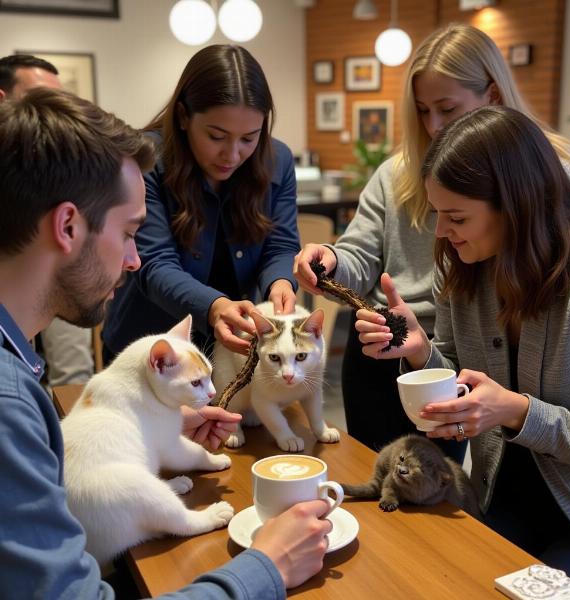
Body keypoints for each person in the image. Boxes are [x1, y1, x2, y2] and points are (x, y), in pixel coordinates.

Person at [0, 87, 331, 599]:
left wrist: (151, 432)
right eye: (130, 233)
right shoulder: (10, 403)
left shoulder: (17, 377)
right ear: (68, 226)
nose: (134, 260)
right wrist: (267, 567)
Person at [293, 23, 570, 458]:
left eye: (447, 108)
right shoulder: (452, 262)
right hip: (424, 352)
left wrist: (514, 408)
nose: (434, 126)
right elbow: (360, 256)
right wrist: (333, 263)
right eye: (422, 110)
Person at [355, 105, 570, 590]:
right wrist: (422, 352)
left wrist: (516, 411)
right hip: (496, 496)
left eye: (456, 216)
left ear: (516, 205)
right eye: (437, 214)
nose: (441, 232)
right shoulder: (462, 267)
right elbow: (464, 387)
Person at [102, 44, 300, 361]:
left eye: (249, 138)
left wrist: (281, 283)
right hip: (150, 347)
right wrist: (215, 307)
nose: (232, 154)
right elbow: (153, 263)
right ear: (183, 116)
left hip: (234, 346)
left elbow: (281, 246)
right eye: (217, 136)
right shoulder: (145, 159)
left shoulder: (277, 160)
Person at [0, 53, 95, 389]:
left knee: (74, 374)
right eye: (41, 101)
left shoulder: (64, 161)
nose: (54, 114)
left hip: (60, 268)